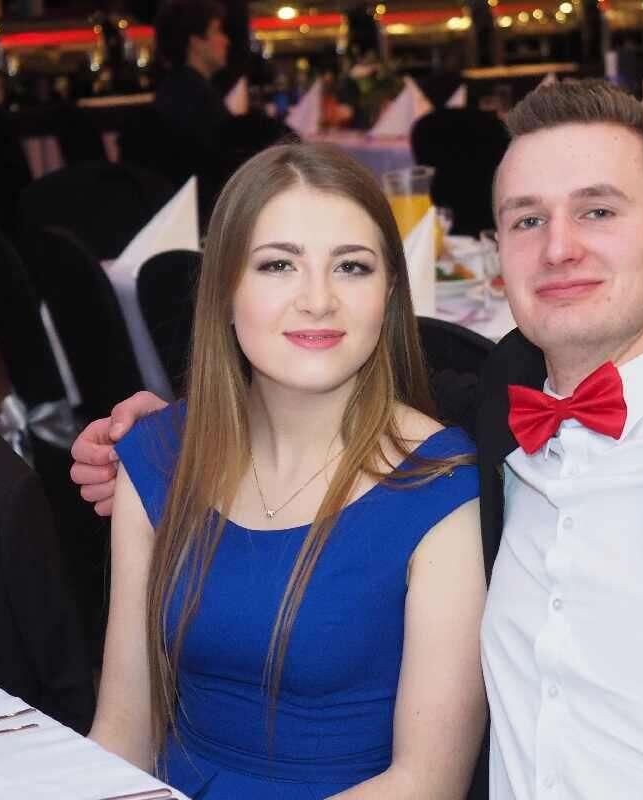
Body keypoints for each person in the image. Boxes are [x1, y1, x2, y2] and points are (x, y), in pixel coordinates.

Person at [72, 80, 643, 799]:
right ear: (497, 253)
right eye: (527, 219)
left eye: (598, 211)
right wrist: (166, 432)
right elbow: (314, 374)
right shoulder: (472, 422)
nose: (559, 247)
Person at [86, 142, 487, 798]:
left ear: (389, 293)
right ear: (225, 290)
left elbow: (426, 784)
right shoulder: (155, 457)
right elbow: (124, 730)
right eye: (278, 265)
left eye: (352, 267)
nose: (318, 300)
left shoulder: (439, 489)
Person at [152, 0, 231, 152]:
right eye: (218, 31)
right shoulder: (199, 98)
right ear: (196, 42)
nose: (226, 41)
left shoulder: (174, 88)